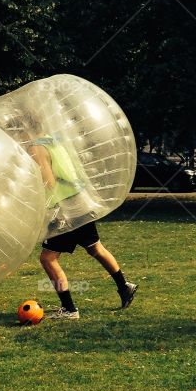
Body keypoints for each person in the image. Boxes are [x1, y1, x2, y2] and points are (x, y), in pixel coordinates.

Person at [27, 132, 137, 317]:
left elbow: (50, 182)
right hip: (79, 201)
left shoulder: (36, 147)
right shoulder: (56, 141)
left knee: (48, 259)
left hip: (64, 208)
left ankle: (69, 309)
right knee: (95, 248)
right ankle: (125, 286)